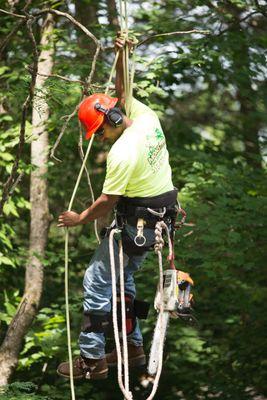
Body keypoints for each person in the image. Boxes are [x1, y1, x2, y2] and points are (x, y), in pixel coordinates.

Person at [57, 35, 176, 380]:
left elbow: (107, 202)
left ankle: (92, 361)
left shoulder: (122, 154)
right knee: (121, 280)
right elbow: (123, 93)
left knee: (96, 280)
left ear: (109, 121)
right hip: (155, 221)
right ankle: (134, 348)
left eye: (99, 133)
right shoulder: (143, 116)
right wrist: (122, 53)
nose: (100, 138)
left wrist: (79, 218)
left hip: (136, 225)